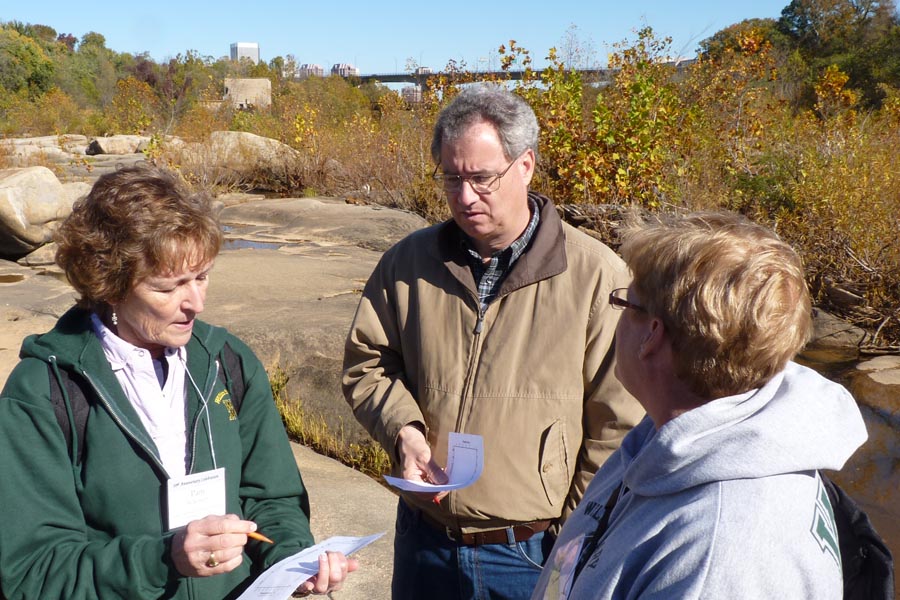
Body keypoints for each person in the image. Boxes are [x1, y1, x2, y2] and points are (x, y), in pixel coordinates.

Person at [342, 83, 643, 599]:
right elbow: (367, 364)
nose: (464, 197)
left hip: (531, 552)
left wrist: (573, 541)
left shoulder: (597, 275)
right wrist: (404, 432)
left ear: (525, 166)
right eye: (452, 178)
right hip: (424, 542)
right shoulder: (407, 262)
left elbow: (619, 425)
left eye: (482, 178)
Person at [0, 164, 356, 599]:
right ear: (109, 284)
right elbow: (33, 572)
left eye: (201, 277)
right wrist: (163, 559)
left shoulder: (228, 362)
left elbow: (272, 498)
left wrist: (289, 560)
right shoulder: (44, 390)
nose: (196, 303)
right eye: (168, 288)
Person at [531, 211, 868, 599]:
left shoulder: (722, 557)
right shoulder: (667, 438)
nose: (618, 319)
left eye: (623, 304)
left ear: (651, 336)